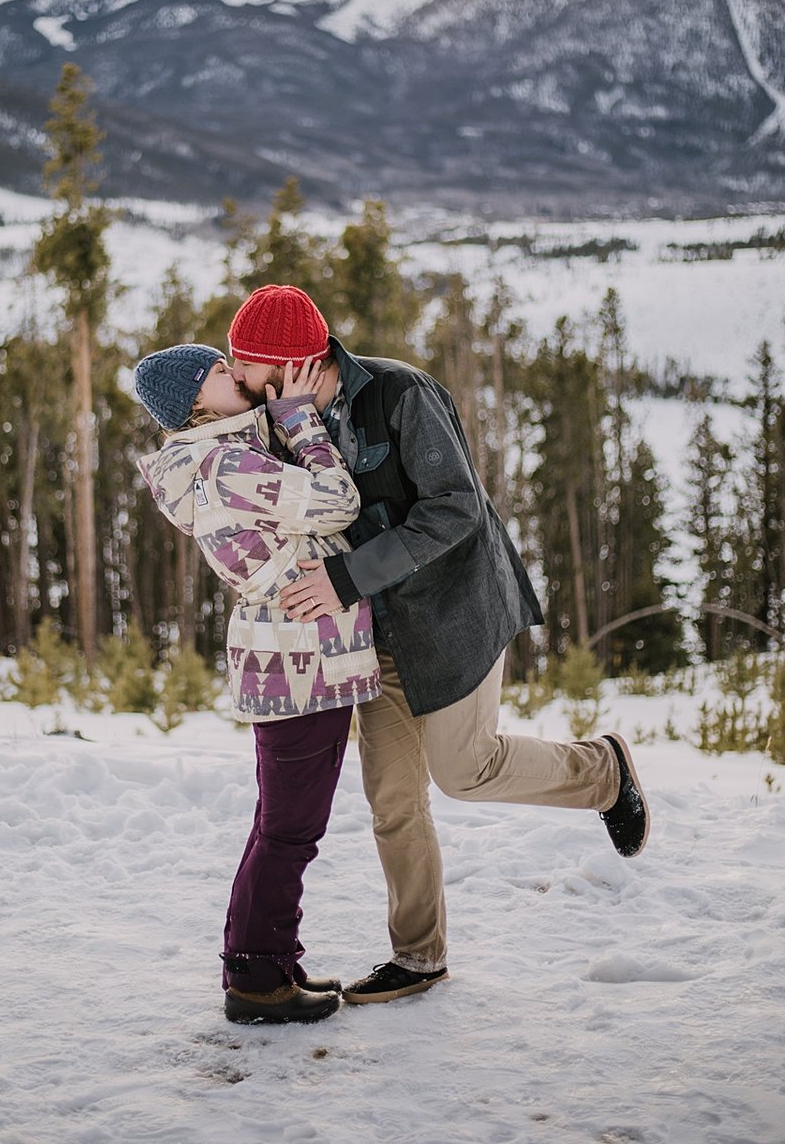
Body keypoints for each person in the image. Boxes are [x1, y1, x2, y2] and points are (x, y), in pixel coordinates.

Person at [226, 284, 650, 1005]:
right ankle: (419, 957)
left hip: (454, 611)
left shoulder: (401, 394)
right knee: (392, 796)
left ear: (292, 363)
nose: (239, 381)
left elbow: (456, 509)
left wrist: (347, 578)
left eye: (247, 368)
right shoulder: (279, 421)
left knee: (465, 769)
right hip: (374, 634)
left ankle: (602, 772)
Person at [134, 344, 381, 1024]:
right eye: (218, 373)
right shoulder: (226, 463)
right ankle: (255, 980)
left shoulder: (222, 453)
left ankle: (271, 961)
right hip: (298, 660)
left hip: (294, 659)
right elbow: (336, 501)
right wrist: (302, 420)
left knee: (280, 826)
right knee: (289, 831)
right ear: (191, 403)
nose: (234, 374)